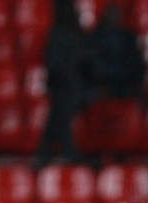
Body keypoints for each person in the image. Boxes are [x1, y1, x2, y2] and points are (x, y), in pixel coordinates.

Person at [36, 0, 91, 164]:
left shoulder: (69, 31)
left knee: (58, 116)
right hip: (63, 83)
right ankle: (57, 152)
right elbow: (52, 61)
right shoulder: (61, 31)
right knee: (59, 116)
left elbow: (82, 58)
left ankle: (47, 153)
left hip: (69, 82)